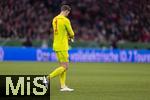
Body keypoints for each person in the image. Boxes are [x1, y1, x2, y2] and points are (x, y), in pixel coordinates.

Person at [43, 5, 75, 92]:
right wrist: (70, 37)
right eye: (68, 13)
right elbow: (71, 33)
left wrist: (66, 36)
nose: (68, 14)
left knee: (62, 66)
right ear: (66, 11)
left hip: (56, 45)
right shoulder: (65, 20)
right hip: (63, 46)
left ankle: (63, 86)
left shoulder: (55, 19)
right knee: (66, 66)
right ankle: (47, 78)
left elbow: (60, 32)